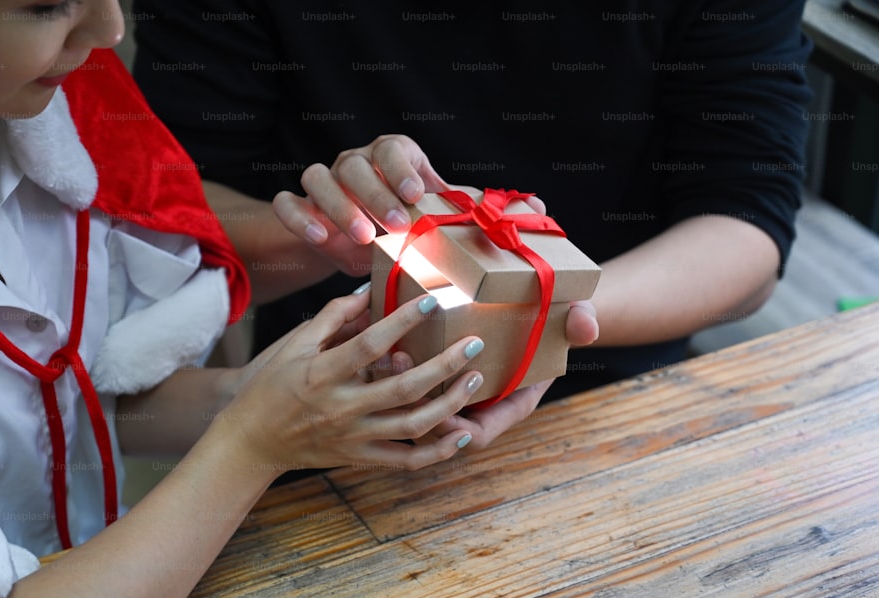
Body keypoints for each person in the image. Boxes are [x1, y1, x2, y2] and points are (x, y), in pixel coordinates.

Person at [0, 1, 599, 598]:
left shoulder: (60, 105)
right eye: (47, 5)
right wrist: (253, 444)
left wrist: (285, 377)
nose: (109, 32)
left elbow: (94, 401)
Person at [131, 0, 813, 400]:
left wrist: (541, 310)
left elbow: (746, 223)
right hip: (344, 392)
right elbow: (171, 197)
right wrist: (319, 237)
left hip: (617, 392)